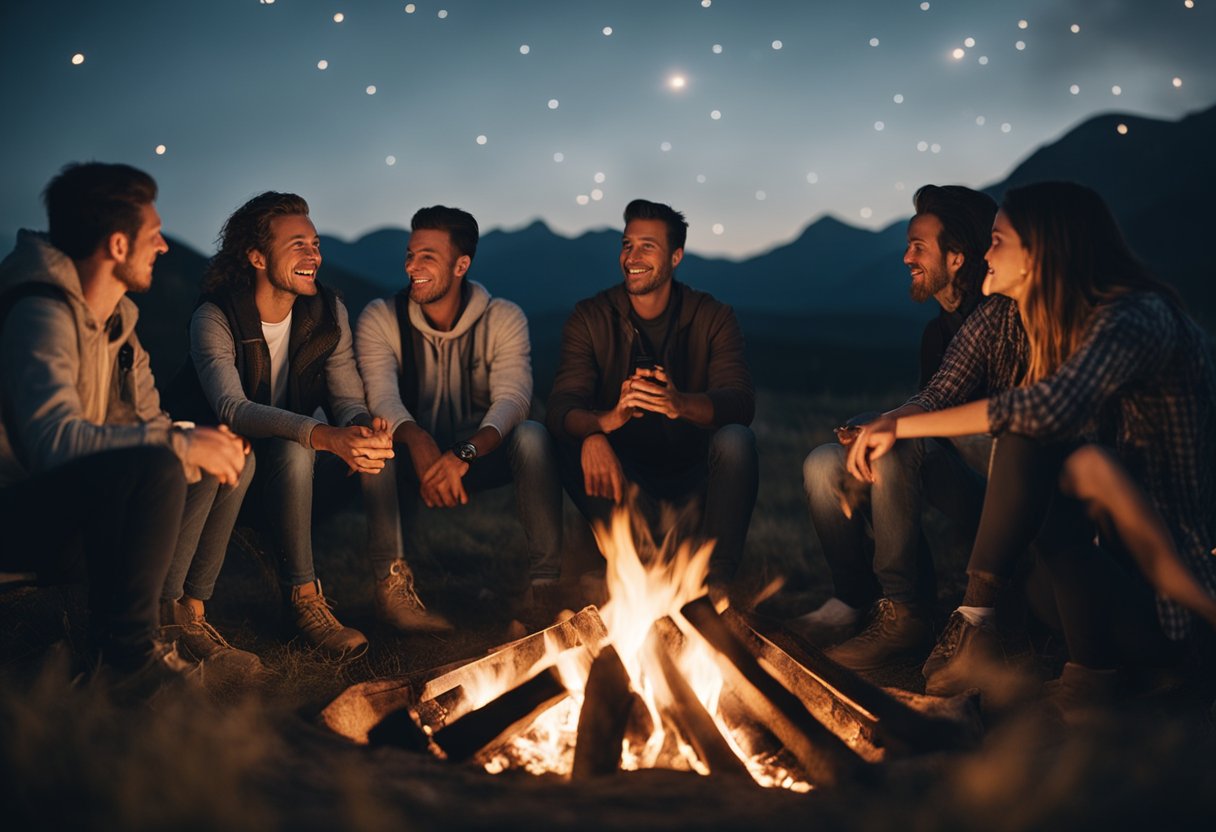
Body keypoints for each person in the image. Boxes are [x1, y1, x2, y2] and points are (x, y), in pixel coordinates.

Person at [848, 182, 1216, 709]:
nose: (985, 253)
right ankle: (1080, 664)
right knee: (1042, 547)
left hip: (1165, 599)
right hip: (1096, 566)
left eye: (996, 240)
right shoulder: (1008, 315)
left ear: (1041, 251)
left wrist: (898, 429)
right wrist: (887, 422)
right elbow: (940, 391)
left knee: (1028, 436)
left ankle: (986, 627)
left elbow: (1043, 409)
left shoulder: (1133, 317)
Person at [0, 162, 253, 691]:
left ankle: (163, 623)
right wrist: (181, 442)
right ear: (118, 245)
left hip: (78, 501)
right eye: (154, 236)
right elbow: (52, 443)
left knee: (215, 458)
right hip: (19, 513)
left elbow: (150, 422)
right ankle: (128, 661)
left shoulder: (119, 326)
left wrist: (201, 443)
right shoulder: (38, 312)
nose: (163, 248)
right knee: (168, 457)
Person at [167, 192, 393, 659]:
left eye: (314, 243)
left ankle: (304, 603)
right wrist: (327, 435)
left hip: (289, 468)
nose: (314, 254)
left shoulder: (328, 312)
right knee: (267, 453)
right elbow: (232, 407)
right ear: (256, 256)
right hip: (208, 467)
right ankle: (184, 613)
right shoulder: (215, 317)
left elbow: (347, 398)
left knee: (296, 448)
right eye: (298, 244)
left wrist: (360, 429)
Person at [795, 185, 998, 670]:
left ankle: (906, 612)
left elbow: (961, 420)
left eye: (918, 247)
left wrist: (893, 430)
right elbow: (931, 401)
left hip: (1001, 481)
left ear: (956, 258)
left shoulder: (1001, 316)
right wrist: (874, 425)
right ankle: (856, 598)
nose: (906, 256)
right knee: (824, 463)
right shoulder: (937, 333)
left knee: (892, 447)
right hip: (951, 465)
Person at [356, 206, 561, 629]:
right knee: (373, 436)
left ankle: (546, 586)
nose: (412, 266)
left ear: (461, 265)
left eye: (427, 256)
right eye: (410, 254)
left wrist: (463, 453)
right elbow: (381, 396)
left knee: (533, 436)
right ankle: (391, 589)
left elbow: (513, 399)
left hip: (478, 456)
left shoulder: (503, 317)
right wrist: (417, 439)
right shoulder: (381, 317)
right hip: (410, 456)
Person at [546, 199, 757, 595]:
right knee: (562, 436)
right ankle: (628, 571)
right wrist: (601, 426)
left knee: (736, 440)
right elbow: (561, 405)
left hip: (694, 479)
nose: (632, 257)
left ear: (676, 256)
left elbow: (740, 402)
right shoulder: (592, 317)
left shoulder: (712, 316)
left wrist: (679, 404)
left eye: (648, 246)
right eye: (627, 245)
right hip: (624, 481)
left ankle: (718, 584)